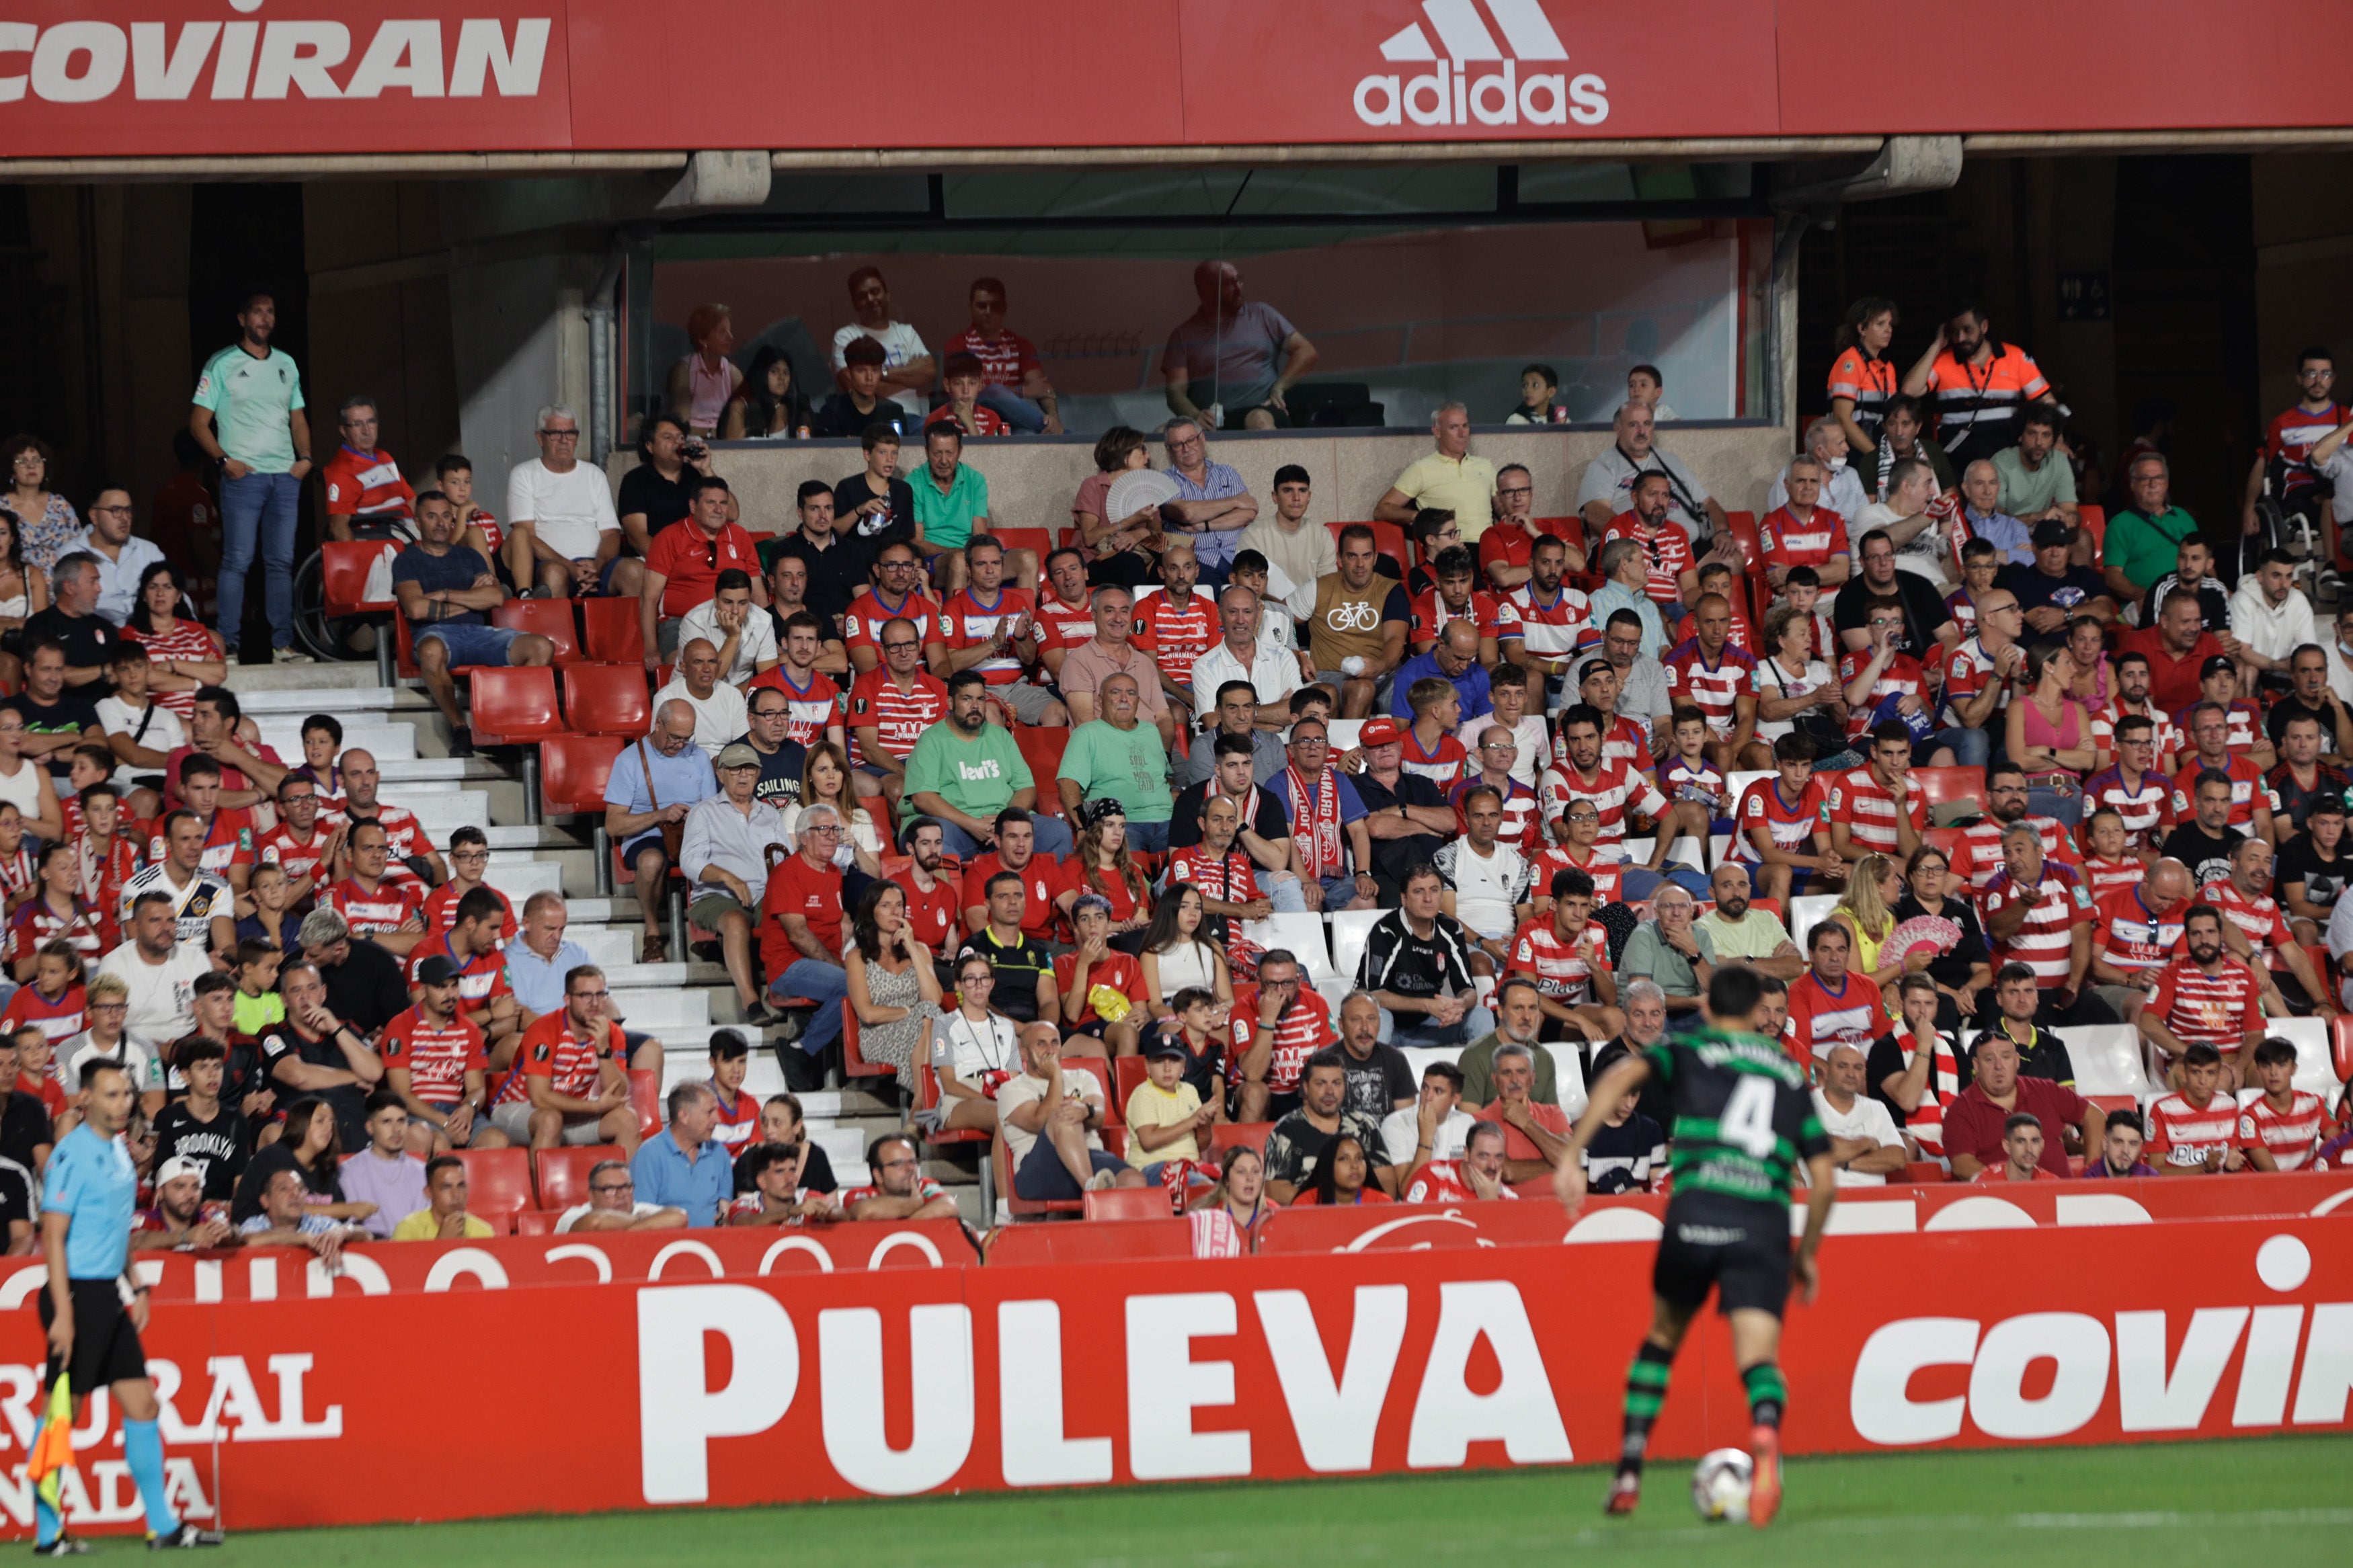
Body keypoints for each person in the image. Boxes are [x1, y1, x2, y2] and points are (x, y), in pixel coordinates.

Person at [1558, 966, 1835, 1524]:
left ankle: (1631, 1468)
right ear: (1761, 1011)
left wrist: (1572, 1153)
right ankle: (1762, 1429)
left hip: (1696, 1212)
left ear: (1708, 1008)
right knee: (1759, 1359)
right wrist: (1805, 1253)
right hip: (1760, 1221)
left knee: (1661, 1338)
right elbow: (1825, 1179)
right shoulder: (1787, 1069)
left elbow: (1618, 1079)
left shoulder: (1689, 1049)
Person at [36, 1057, 229, 1550]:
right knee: (64, 1412)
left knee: (143, 1405)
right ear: (85, 1099)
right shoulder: (70, 1154)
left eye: (126, 1093)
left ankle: (163, 1525)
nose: (123, 1102)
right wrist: (62, 1313)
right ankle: (45, 1531)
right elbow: (54, 1237)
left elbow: (117, 1227)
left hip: (107, 1293)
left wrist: (136, 1283)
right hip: (76, 1293)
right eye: (111, 1094)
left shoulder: (121, 1151)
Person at [188, 290, 311, 665]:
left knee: (280, 562)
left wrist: (305, 459)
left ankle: (283, 645)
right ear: (242, 319)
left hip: (285, 476)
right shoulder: (222, 363)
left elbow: (298, 418)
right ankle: (229, 646)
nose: (265, 318)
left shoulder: (287, 364)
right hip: (244, 477)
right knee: (238, 560)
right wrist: (226, 461)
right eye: (257, 312)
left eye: (270, 311)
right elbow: (197, 423)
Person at [391, 489, 554, 757]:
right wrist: (470, 600)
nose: (441, 523)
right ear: (418, 523)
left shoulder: (470, 556)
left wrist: (445, 595)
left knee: (542, 647)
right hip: (437, 635)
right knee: (430, 651)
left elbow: (495, 596)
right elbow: (417, 609)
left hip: (481, 633)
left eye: (446, 516)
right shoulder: (407, 560)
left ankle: (507, 730)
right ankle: (461, 729)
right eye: (432, 517)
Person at [900, 671, 1075, 858]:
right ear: (950, 703)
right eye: (967, 699)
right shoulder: (931, 740)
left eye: (981, 699)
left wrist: (1007, 820)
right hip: (955, 825)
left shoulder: (1000, 737)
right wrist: (971, 824)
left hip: (1003, 822)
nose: (975, 706)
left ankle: (1042, 887)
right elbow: (922, 797)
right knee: (934, 839)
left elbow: (1025, 787)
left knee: (1057, 832)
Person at [680, 742, 791, 1026]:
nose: (743, 775)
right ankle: (751, 1002)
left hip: (764, 893)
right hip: (717, 896)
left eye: (750, 769)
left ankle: (779, 994)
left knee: (789, 916)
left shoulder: (770, 814)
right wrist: (729, 877)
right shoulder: (704, 812)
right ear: (721, 774)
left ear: (758, 775)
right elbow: (690, 862)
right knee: (734, 922)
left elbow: (785, 859)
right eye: (735, 769)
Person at [602, 701, 715, 964]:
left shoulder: (698, 757)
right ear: (658, 725)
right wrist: (660, 815)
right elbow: (613, 825)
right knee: (651, 862)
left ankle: (711, 933)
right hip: (648, 836)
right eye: (675, 737)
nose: (680, 744)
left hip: (692, 834)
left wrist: (695, 817)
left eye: (687, 738)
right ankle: (652, 932)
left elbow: (712, 809)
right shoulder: (629, 760)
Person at [486, 962, 639, 1151]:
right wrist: (596, 1107)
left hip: (571, 1111)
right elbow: (539, 1098)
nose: (594, 1002)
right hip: (517, 1108)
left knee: (628, 1119)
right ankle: (540, 1182)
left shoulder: (611, 1032)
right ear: (567, 999)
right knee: (550, 1120)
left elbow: (617, 1094)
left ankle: (621, 1181)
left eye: (600, 994)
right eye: (585, 995)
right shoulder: (544, 1029)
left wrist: (603, 1050)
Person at [758, 803, 854, 1085]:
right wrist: (841, 967)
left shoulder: (835, 873)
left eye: (835, 829)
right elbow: (798, 934)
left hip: (826, 964)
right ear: (802, 837)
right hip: (788, 965)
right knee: (852, 984)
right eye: (822, 829)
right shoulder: (788, 873)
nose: (831, 836)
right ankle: (800, 1049)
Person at [1160, 260, 1314, 432]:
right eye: (1230, 284)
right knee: (1161, 433)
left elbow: (1306, 351)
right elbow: (1175, 392)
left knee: (1258, 420)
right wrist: (1195, 415)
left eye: (1238, 281)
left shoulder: (1262, 315)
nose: (1239, 288)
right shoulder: (1183, 334)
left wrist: (1280, 386)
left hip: (1261, 409)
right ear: (1207, 290)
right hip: (1210, 419)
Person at [1001, 1021, 1142, 1201]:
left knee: (1134, 1181)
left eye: (1055, 1043)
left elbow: (1099, 1116)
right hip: (1039, 1168)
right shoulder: (1011, 1089)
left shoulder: (1083, 1077)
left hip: (1089, 1155)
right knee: (1064, 1117)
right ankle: (1091, 1189)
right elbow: (1040, 1122)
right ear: (1024, 1053)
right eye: (1041, 1044)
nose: (1050, 1050)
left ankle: (1099, 1216)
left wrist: (1086, 1110)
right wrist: (1056, 1076)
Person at [1901, 302, 2053, 468]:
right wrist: (1936, 346)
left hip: (2006, 444)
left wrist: (2057, 439)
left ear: (1984, 327)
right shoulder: (1943, 359)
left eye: (1967, 330)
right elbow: (1910, 390)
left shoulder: (2015, 357)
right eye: (1955, 332)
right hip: (1959, 447)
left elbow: (2049, 403)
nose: (1960, 338)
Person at [1942, 1030, 2103, 1180]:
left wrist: (2091, 1172)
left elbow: (2095, 1116)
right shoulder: (1961, 1110)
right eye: (1989, 1059)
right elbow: (1962, 1165)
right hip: (2001, 1203)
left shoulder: (2047, 1090)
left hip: (2064, 1200)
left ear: (2017, 1061)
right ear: (1976, 1066)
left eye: (2006, 1057)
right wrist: (2013, 1189)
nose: (1999, 1066)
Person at [1577, 403, 1730, 556]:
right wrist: (1639, 539)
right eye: (1633, 425)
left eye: (1647, 424)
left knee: (1732, 560)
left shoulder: (1672, 461)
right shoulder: (1603, 466)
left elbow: (1708, 503)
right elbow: (1596, 514)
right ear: (1618, 429)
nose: (1642, 431)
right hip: (1635, 550)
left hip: (1688, 547)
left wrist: (1722, 531)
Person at [501, 405, 619, 602]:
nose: (564, 440)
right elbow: (526, 535)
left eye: (570, 433)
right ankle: (550, 634)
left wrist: (598, 565)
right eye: (556, 433)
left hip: (596, 565)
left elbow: (611, 534)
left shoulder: (594, 474)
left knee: (635, 572)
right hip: (550, 563)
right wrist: (569, 566)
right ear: (540, 438)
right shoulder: (524, 474)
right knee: (554, 574)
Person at [1290, 526, 1409, 719]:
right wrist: (1300, 655)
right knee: (1362, 687)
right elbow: (1279, 619)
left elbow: (1395, 639)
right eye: (1352, 556)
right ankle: (1349, 749)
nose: (1360, 564)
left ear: (1376, 558)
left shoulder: (1391, 590)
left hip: (1382, 676)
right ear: (1340, 559)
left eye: (1367, 555)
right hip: (1330, 675)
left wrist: (1379, 665)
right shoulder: (1318, 587)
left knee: (1418, 686)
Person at [844, 880, 945, 1099]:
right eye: (886, 905)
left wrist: (912, 948)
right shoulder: (857, 957)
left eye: (899, 905)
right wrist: (911, 1011)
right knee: (927, 1020)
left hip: (922, 1028)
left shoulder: (920, 950)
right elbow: (868, 1014)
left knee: (929, 1019)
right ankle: (925, 1101)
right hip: (879, 1036)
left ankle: (921, 1102)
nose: (894, 911)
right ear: (872, 912)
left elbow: (934, 999)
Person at [1056, 676, 1174, 853]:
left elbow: (1167, 778)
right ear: (1100, 700)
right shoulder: (1087, 733)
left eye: (1131, 693)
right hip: (1120, 825)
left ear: (1138, 701)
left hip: (1168, 821)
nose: (1124, 699)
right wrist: (1083, 826)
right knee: (1130, 874)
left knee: (1188, 869)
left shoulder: (1151, 731)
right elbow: (1067, 783)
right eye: (1116, 692)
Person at [847, 613, 949, 817]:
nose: (904, 652)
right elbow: (869, 749)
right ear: (883, 651)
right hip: (878, 766)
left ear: (920, 646)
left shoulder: (936, 687)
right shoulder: (867, 685)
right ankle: (909, 842)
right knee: (899, 790)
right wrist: (911, 774)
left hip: (922, 765)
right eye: (895, 646)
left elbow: (943, 743)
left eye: (910, 644)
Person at [1261, 1052, 1382, 1204]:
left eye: (1337, 1083)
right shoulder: (1286, 1130)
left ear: (1345, 1086)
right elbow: (1275, 1190)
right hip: (1308, 1219)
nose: (1330, 1092)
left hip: (1364, 1216)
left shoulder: (1365, 1125)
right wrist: (1329, 1206)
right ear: (1306, 1087)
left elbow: (1385, 1182)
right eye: (1321, 1084)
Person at [1373, 403, 1499, 542]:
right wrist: (1418, 516)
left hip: (1488, 547)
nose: (1462, 434)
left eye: (1465, 426)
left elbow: (1502, 507)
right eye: (1454, 427)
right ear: (1437, 432)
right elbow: (1381, 510)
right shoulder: (1421, 469)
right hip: (1448, 550)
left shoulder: (1485, 466)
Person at [831, 267, 936, 419]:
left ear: (887, 295)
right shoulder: (846, 336)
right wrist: (910, 379)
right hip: (871, 418)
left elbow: (930, 371)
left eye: (875, 292)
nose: (871, 299)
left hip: (911, 418)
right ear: (855, 304)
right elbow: (854, 387)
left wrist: (883, 374)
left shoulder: (907, 332)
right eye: (862, 296)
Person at [2102, 454, 2202, 608]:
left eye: (2159, 478)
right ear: (2133, 485)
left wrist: (2217, 588)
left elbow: (2204, 562)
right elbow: (2113, 577)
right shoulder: (2120, 524)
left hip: (2192, 596)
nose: (2153, 483)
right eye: (2144, 479)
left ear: (2167, 483)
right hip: (2149, 602)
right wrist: (2143, 595)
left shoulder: (2183, 517)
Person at [2145, 1042, 2257, 1173]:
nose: (2203, 1081)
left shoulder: (2229, 1106)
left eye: (2210, 1073)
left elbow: (2233, 1160)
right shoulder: (2163, 1110)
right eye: (2196, 1072)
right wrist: (2203, 1168)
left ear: (2219, 1077)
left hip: (2221, 1189)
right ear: (2184, 1075)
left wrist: (2230, 1166)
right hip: (2178, 1189)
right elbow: (2155, 1171)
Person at [628, 1081, 730, 1225]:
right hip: (666, 1246)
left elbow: (725, 1209)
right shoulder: (649, 1155)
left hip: (713, 1245)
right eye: (710, 1112)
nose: (718, 1119)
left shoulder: (719, 1153)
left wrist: (724, 1219)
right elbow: (641, 1216)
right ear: (684, 1116)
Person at [337, 1091, 428, 1239]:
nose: (396, 1130)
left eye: (401, 1121)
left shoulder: (422, 1171)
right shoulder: (349, 1172)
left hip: (414, 1251)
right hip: (370, 1254)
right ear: (370, 1127)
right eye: (387, 1121)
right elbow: (351, 1227)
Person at [2232, 548, 2317, 692]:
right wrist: (2278, 665)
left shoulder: (2299, 601)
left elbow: (2308, 648)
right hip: (2254, 665)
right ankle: (2247, 713)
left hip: (2285, 668)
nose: (2284, 584)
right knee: (2248, 671)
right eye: (2277, 576)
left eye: (2289, 576)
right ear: (2260, 577)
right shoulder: (2242, 599)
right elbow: (2243, 651)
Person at [1829, 298, 1900, 458]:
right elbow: (1842, 418)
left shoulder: (1888, 367)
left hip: (1880, 444)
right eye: (1881, 324)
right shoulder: (1850, 362)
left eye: (1890, 324)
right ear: (1862, 328)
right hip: (1854, 449)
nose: (1889, 330)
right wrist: (1877, 457)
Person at [842, 1132, 960, 1221]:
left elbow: (949, 1206)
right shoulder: (858, 1195)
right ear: (878, 1175)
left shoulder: (925, 1185)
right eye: (899, 1164)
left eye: (913, 1161)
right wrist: (914, 1204)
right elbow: (866, 1212)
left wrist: (902, 1230)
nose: (910, 1168)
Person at [385, 1154, 495, 1241]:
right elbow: (405, 1269)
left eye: (461, 1186)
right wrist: (441, 1242)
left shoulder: (484, 1232)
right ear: (429, 1192)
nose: (456, 1195)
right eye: (446, 1187)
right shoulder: (408, 1229)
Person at [563, 1159, 690, 1232]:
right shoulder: (574, 1216)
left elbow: (680, 1217)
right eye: (610, 1189)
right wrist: (639, 1220)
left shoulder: (641, 1209)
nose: (621, 1195)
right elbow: (595, 1222)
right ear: (592, 1195)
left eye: (626, 1188)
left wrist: (631, 1228)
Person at [721, 345, 810, 442]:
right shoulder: (740, 407)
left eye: (786, 373)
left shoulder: (797, 409)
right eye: (774, 371)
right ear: (761, 374)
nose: (782, 378)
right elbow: (733, 453)